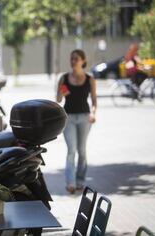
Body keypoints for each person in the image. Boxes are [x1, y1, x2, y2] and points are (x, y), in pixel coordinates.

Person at [56, 49, 97, 194]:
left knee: (82, 151)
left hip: (85, 118)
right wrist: (61, 91)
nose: (73, 61)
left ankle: (80, 181)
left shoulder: (90, 79)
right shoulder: (65, 78)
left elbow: (93, 101)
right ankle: (71, 183)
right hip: (69, 118)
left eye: (76, 59)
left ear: (83, 61)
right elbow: (59, 100)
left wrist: (93, 114)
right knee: (71, 150)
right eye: (72, 58)